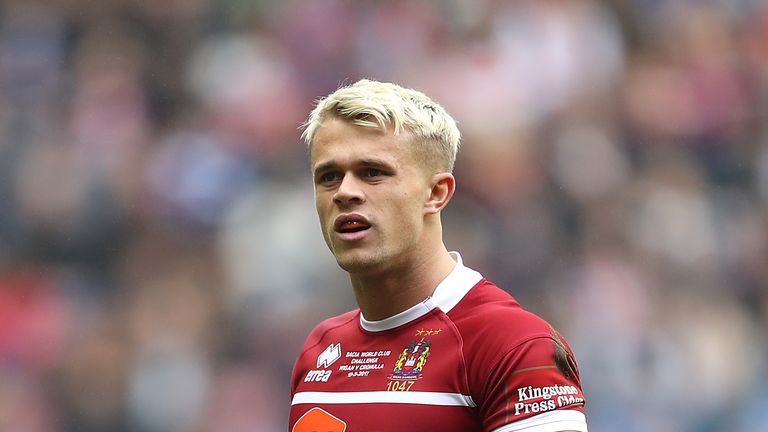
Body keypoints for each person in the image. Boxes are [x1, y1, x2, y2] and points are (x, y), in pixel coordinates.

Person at [289, 79, 588, 432]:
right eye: (329, 176)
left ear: (436, 192)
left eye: (373, 173)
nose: (345, 192)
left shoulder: (512, 344)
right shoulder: (320, 350)